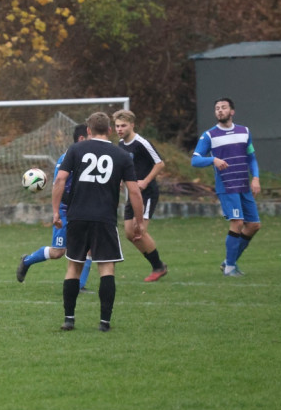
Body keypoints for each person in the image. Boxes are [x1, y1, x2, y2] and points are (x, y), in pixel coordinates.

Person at [52, 112, 143, 332]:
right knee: (107, 268)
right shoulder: (122, 155)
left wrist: (55, 212)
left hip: (77, 216)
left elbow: (60, 179)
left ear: (88, 130)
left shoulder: (75, 149)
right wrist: (139, 220)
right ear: (110, 130)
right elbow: (134, 191)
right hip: (104, 218)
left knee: (73, 267)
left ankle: (69, 319)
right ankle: (104, 322)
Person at [16, 123, 92, 290]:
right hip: (66, 210)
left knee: (89, 247)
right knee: (58, 252)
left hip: (83, 210)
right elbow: (59, 184)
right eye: (91, 137)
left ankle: (80, 286)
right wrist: (57, 212)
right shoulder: (67, 158)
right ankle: (27, 261)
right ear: (82, 138)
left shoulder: (91, 158)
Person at [190, 97, 261, 277]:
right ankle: (229, 268)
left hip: (244, 185)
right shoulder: (209, 135)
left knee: (253, 225)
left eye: (223, 107)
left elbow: (251, 157)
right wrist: (213, 159)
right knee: (237, 222)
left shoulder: (244, 131)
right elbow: (195, 160)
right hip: (227, 186)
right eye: (217, 108)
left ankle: (229, 261)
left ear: (232, 111)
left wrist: (256, 178)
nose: (220, 110)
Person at [113, 109, 169, 281]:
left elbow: (160, 163)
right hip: (133, 194)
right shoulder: (121, 144)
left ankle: (158, 267)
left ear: (132, 125)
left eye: (123, 125)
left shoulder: (141, 143)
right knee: (130, 233)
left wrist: (145, 181)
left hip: (147, 193)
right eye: (117, 126)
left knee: (139, 230)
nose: (119, 129)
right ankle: (158, 265)